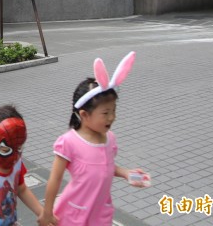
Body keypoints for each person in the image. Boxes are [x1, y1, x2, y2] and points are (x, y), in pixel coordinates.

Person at [38, 52, 148, 226]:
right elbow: (55, 179)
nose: (112, 117)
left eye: (113, 111)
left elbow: (106, 166)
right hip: (74, 215)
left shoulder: (109, 139)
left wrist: (126, 173)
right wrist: (47, 212)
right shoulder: (69, 142)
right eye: (105, 113)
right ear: (84, 114)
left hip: (101, 214)